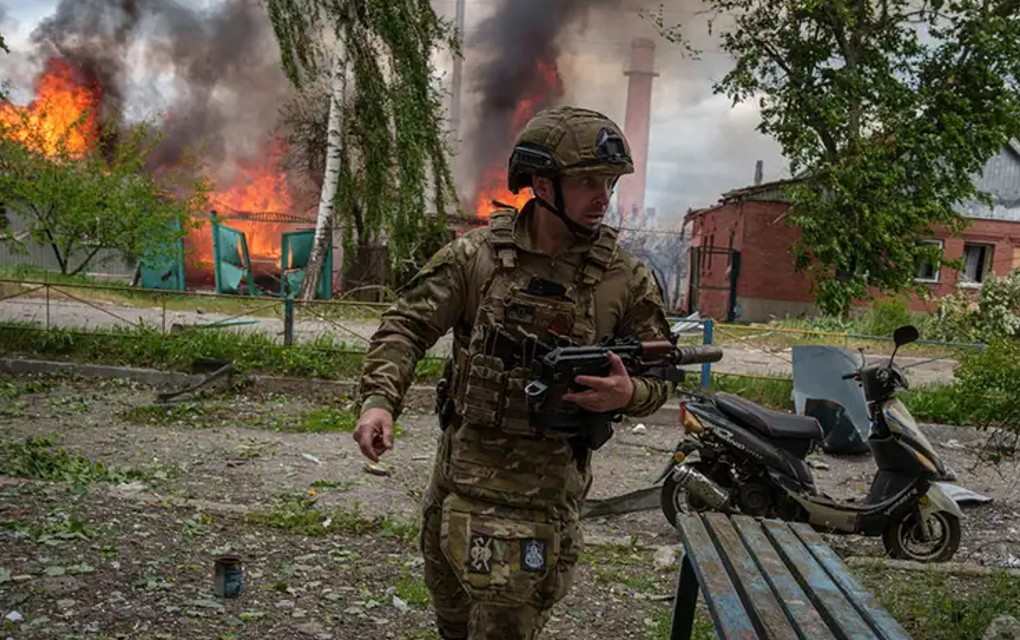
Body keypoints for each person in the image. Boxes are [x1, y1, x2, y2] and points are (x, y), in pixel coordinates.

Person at [353, 105, 672, 639]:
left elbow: (660, 373)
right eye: (588, 181)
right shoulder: (476, 257)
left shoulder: (626, 279)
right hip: (460, 485)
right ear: (543, 186)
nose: (603, 196)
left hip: (542, 501)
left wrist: (626, 391)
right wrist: (379, 400)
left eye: (609, 183)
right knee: (452, 622)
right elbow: (405, 325)